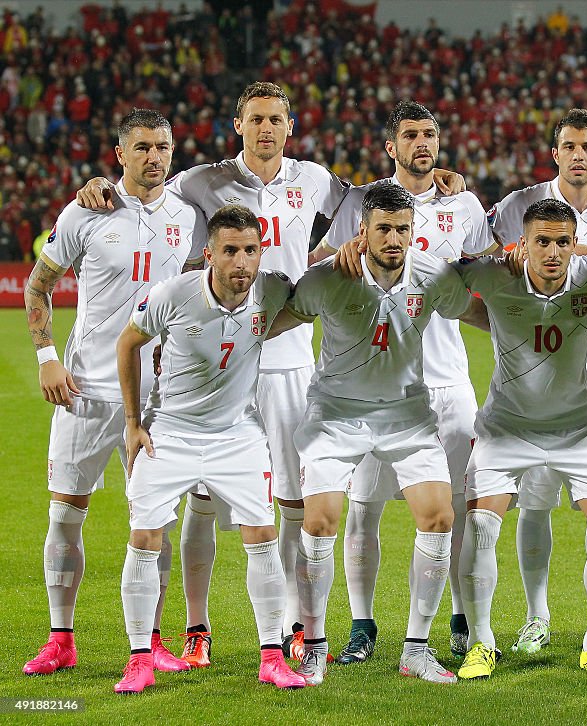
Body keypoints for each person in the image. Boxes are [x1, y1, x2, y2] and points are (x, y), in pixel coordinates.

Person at [76, 82, 464, 665]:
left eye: (276, 119)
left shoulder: (316, 181)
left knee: (289, 502)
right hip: (220, 359)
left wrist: (441, 186)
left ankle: (289, 629)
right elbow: (147, 191)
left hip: (286, 357)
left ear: (290, 126)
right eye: (255, 118)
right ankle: (195, 628)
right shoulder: (200, 182)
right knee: (200, 500)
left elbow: (379, 202)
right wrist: (102, 185)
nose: (265, 129)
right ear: (239, 125)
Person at [269, 184, 489, 686]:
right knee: (321, 521)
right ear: (362, 232)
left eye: (403, 229)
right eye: (384, 229)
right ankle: (316, 648)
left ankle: (415, 650)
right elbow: (272, 321)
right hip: (335, 415)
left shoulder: (433, 275)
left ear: (414, 232)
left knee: (439, 518)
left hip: (408, 416)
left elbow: (480, 314)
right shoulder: (328, 277)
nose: (394, 238)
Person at [22, 108, 205, 677]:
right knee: (65, 516)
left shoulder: (189, 217)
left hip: (158, 399)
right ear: (120, 154)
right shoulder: (85, 210)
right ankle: (60, 638)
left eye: (164, 146)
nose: (155, 156)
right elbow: (38, 286)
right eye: (144, 147)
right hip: (84, 391)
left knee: (155, 523)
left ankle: (151, 642)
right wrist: (47, 359)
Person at [316, 100, 495, 662]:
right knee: (364, 507)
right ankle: (363, 626)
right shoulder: (363, 205)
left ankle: (462, 620)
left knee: (459, 508)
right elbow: (320, 264)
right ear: (390, 146)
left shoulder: (463, 202)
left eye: (431, 134)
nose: (423, 144)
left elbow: (487, 269)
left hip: (448, 382)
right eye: (411, 135)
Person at [114, 204, 302, 693]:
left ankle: (271, 657)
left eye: (251, 251)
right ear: (209, 254)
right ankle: (139, 659)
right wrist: (134, 423)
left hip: (238, 434)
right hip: (170, 433)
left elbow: (318, 293)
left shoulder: (273, 288)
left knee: (262, 534)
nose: (242, 262)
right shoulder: (174, 295)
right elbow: (127, 344)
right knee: (144, 539)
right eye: (231, 251)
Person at [455, 199, 587, 680]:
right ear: (523, 244)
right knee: (479, 528)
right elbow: (441, 270)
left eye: (562, 242)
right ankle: (481, 642)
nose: (552, 252)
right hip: (505, 427)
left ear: (574, 244)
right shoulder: (495, 276)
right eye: (542, 241)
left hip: (578, 428)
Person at [487, 108, 587, 656]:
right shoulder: (519, 207)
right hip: (538, 384)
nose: (579, 155)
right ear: (555, 153)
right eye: (569, 146)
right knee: (535, 503)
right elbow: (484, 256)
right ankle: (537, 614)